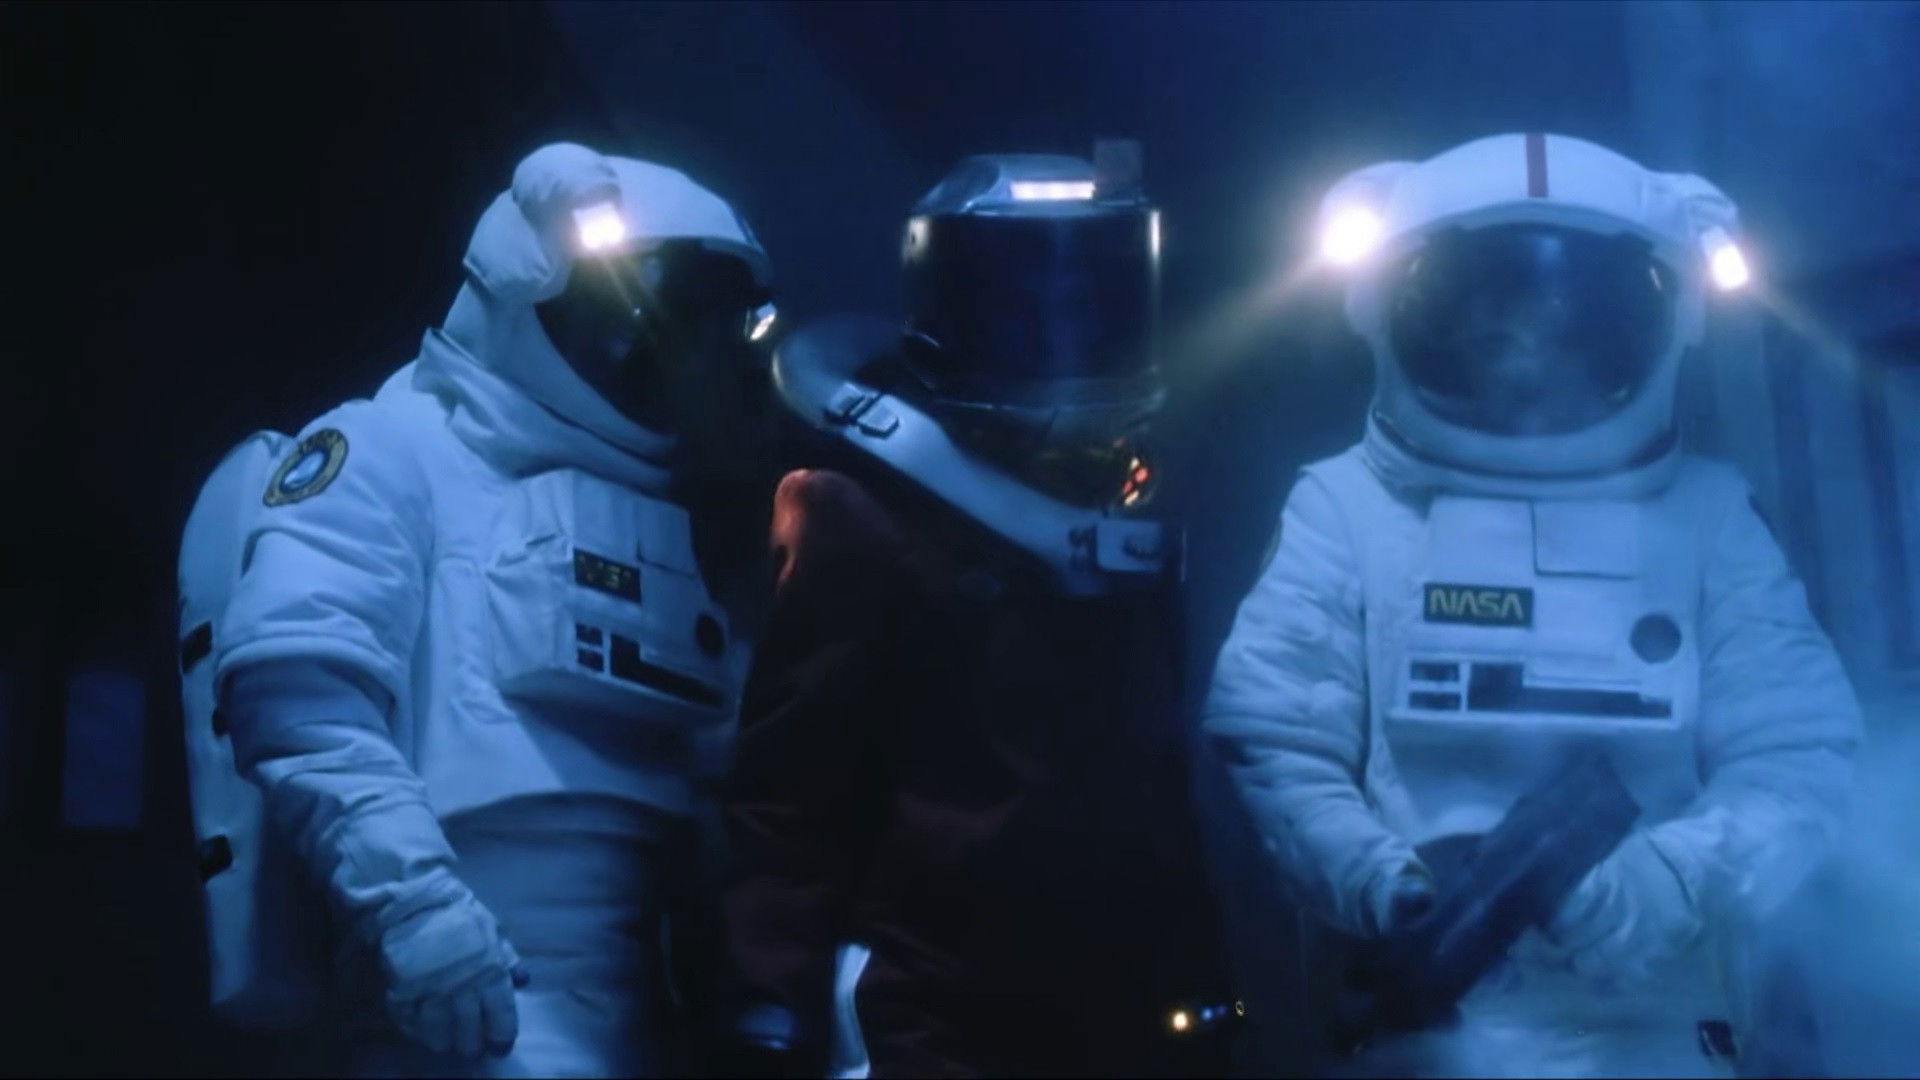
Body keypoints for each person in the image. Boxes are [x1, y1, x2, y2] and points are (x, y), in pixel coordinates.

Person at [1203, 132, 1862, 1078]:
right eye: (1493, 322)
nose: (1527, 359)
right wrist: (1383, 880)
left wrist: (1660, 882)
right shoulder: (1348, 508)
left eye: (1561, 324)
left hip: (1664, 1023)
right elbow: (1276, 735)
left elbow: (1796, 754)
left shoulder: (1706, 517)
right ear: (1409, 316)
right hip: (1425, 1020)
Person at [196, 141, 778, 1078]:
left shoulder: (676, 526)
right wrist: (419, 911)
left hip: (648, 1009)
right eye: (635, 318)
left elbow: (726, 775)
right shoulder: (389, 449)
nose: (655, 352)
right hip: (456, 1000)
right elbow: (302, 698)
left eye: (699, 327)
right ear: (523, 292)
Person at [716, 147, 1235, 1078]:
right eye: (1036, 302)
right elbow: (793, 788)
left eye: (1094, 296)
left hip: (1115, 1008)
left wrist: (1199, 982)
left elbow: (1154, 783)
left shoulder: (1135, 522)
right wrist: (768, 998)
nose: (1070, 329)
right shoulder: (861, 515)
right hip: (930, 1009)